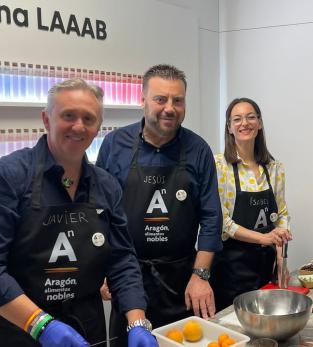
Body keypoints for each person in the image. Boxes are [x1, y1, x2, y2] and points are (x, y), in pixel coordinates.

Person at [0, 79, 156, 347]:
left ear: (98, 127)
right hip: (16, 333)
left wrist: (137, 322)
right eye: (68, 116)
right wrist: (41, 325)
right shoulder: (4, 179)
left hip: (86, 333)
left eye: (88, 118)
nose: (79, 126)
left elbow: (122, 260)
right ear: (46, 119)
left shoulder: (107, 186)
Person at [96, 64, 223, 346]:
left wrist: (201, 276)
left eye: (178, 100)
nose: (170, 108)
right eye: (160, 99)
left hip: (182, 281)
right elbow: (99, 213)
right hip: (127, 276)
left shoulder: (198, 149)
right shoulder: (114, 144)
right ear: (142, 101)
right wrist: (103, 268)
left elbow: (212, 217)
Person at [210, 97, 292, 311]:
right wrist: (264, 238)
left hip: (265, 266)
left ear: (260, 123)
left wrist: (281, 255)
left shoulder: (274, 167)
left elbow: (281, 214)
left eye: (250, 117)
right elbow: (223, 222)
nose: (244, 123)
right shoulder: (219, 166)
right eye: (237, 119)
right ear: (229, 127)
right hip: (231, 268)